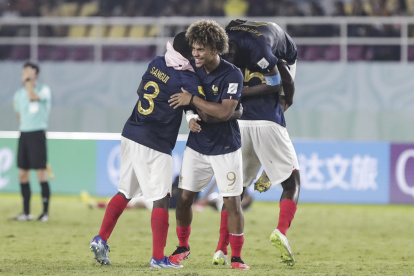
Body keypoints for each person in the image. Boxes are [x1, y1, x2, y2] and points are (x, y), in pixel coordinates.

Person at [89, 32, 205, 269]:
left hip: (131, 132)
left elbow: (141, 88)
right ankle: (158, 258)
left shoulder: (158, 62)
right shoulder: (188, 79)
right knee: (161, 198)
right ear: (187, 54)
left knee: (125, 191)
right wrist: (191, 110)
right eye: (194, 50)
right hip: (155, 141)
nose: (196, 54)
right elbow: (194, 101)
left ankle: (100, 238)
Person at [167, 19, 249, 270]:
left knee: (232, 202)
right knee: (183, 199)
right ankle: (183, 246)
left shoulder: (232, 73)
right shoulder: (191, 68)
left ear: (215, 48)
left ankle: (236, 257)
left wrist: (194, 100)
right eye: (193, 49)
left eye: (200, 49)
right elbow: (184, 102)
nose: (195, 54)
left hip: (226, 147)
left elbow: (225, 112)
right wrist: (191, 115)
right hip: (197, 145)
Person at [218, 19, 301, 266]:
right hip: (267, 126)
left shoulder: (261, 51)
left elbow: (281, 79)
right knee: (292, 181)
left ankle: (220, 248)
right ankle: (281, 231)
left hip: (283, 57)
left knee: (235, 190)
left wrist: (288, 98)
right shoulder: (223, 41)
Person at [11, 61, 52, 222]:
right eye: (23, 73)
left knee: (41, 172)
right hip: (24, 134)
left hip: (37, 135)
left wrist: (29, 83)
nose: (24, 76)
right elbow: (19, 115)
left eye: (27, 73)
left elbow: (32, 97)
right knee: (22, 174)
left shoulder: (43, 90)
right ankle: (26, 212)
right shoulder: (18, 94)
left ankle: (45, 213)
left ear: (35, 75)